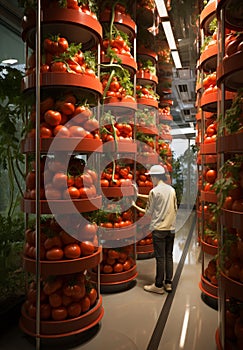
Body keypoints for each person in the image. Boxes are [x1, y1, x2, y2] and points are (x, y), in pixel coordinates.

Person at [132, 164, 177, 294]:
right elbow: (172, 206)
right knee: (169, 256)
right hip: (171, 228)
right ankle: (168, 283)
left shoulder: (154, 192)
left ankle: (158, 285)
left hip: (159, 230)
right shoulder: (171, 190)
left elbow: (148, 212)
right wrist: (139, 195)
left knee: (160, 258)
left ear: (155, 177)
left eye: (151, 177)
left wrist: (134, 205)